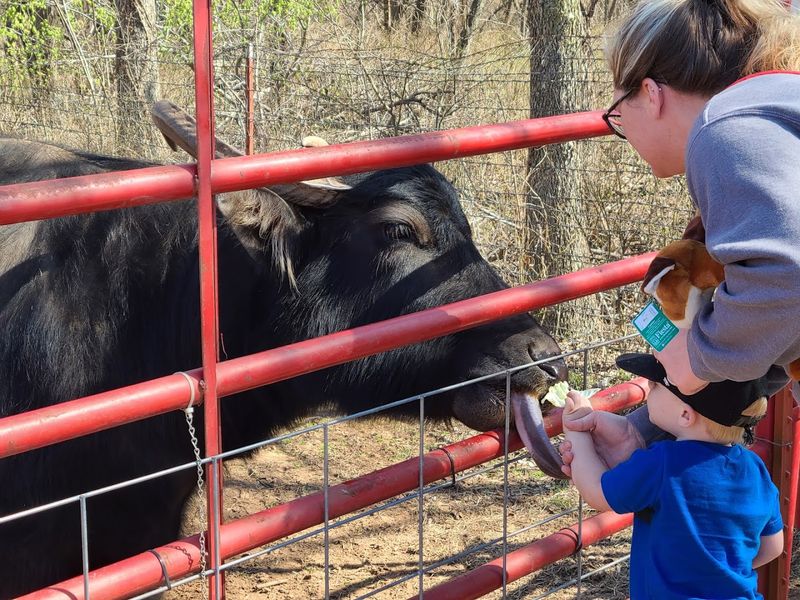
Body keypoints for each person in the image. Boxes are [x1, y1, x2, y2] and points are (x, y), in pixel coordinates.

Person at [561, 0, 800, 477]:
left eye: (616, 113)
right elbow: (780, 324)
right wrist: (647, 428)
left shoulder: (726, 129)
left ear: (651, 93)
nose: (622, 130)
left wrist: (698, 358)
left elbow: (787, 275)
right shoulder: (776, 111)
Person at [563, 352, 784, 600]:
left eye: (656, 386)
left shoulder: (663, 463)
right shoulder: (755, 468)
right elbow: (773, 547)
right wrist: (716, 570)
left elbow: (597, 492)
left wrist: (576, 430)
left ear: (685, 415)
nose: (649, 390)